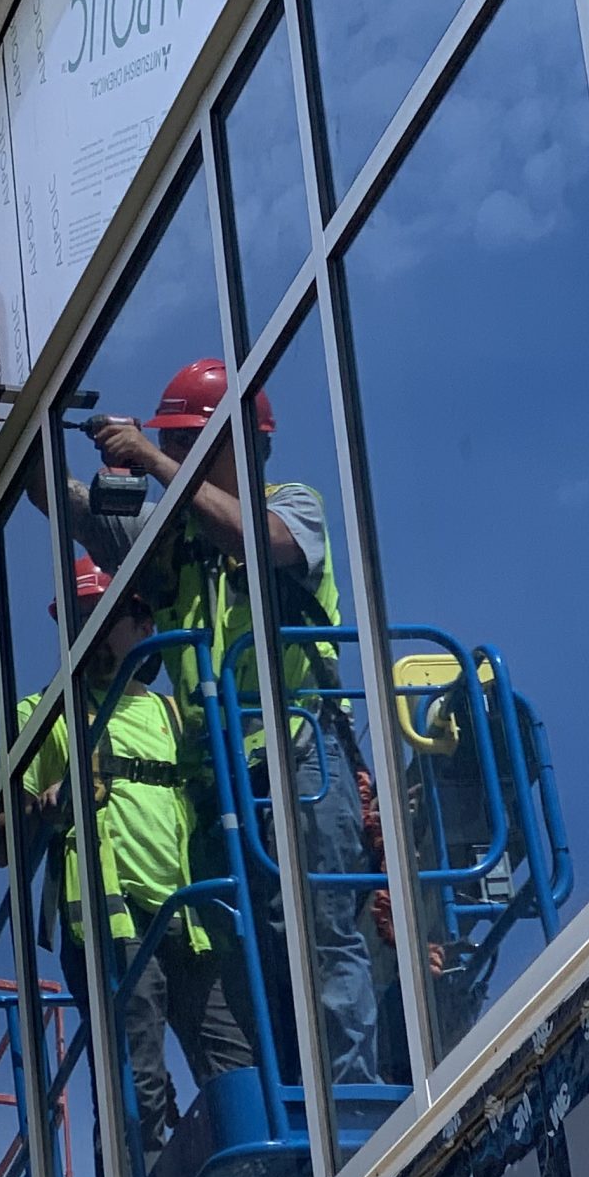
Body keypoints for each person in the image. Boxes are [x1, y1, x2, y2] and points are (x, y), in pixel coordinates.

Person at [70, 357, 379, 1088]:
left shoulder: (290, 505)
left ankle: (354, 1107)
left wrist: (145, 456)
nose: (171, 459)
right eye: (168, 447)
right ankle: (295, 1108)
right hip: (220, 790)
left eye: (183, 445)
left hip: (297, 760)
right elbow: (81, 515)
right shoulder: (173, 545)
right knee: (244, 961)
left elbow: (264, 543)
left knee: (320, 936)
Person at [14, 555, 249, 1159]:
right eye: (80, 617)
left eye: (104, 615)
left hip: (191, 919)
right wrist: (46, 807)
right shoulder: (49, 714)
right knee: (136, 1089)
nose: (88, 630)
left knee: (235, 1068)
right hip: (109, 924)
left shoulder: (175, 715)